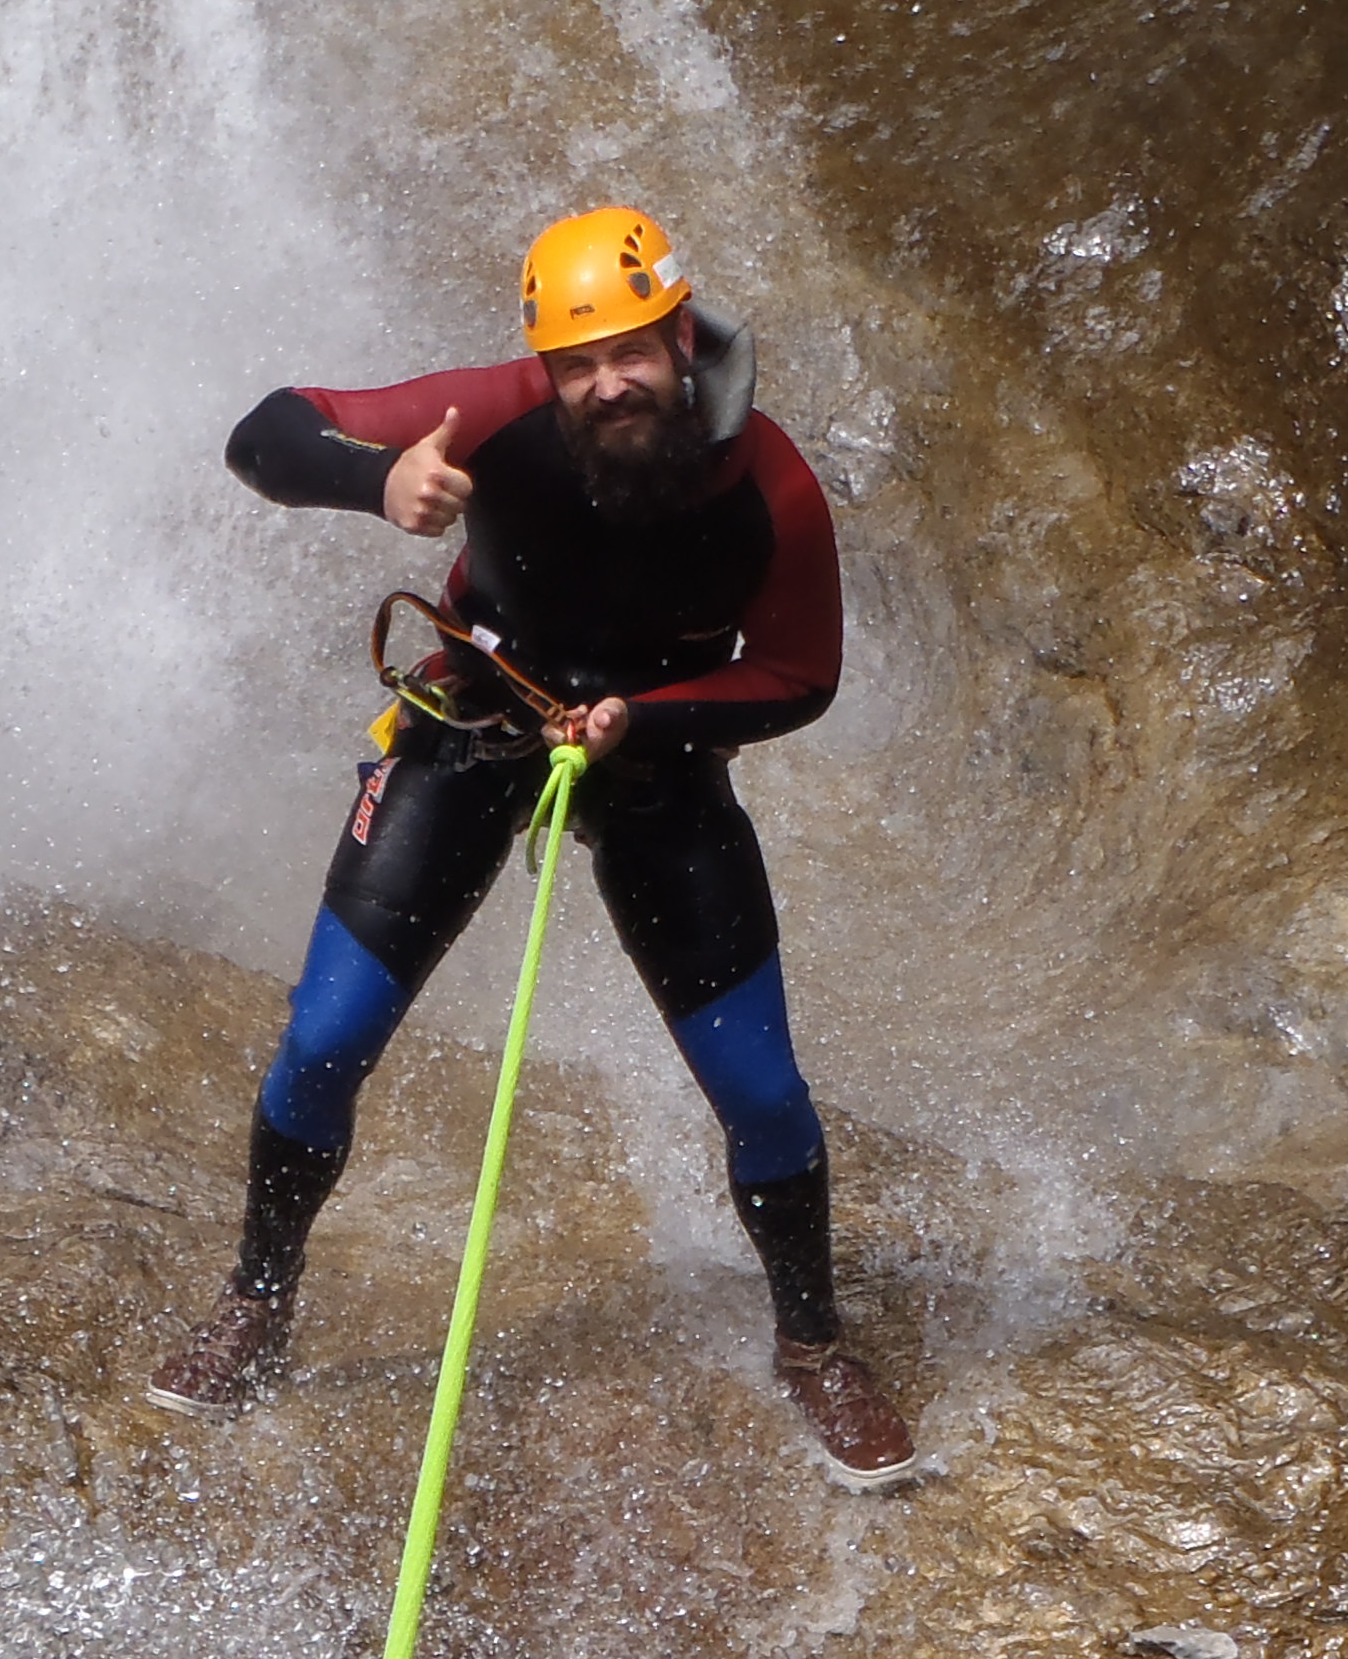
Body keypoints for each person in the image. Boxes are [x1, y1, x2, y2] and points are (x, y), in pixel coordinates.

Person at [146, 205, 918, 1489]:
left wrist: (643, 721)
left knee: (763, 1093)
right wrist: (377, 482)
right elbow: (267, 432)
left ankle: (813, 1345)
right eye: (578, 363)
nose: (607, 384)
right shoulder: (496, 414)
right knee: (323, 1041)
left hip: (657, 757)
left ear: (680, 340)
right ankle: (256, 1303)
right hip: (475, 724)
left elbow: (801, 674)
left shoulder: (769, 481)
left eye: (630, 353)